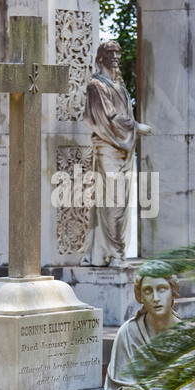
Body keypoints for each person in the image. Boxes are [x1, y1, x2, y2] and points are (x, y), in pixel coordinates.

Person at [80, 41, 151, 268]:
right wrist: (136, 126)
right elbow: (107, 117)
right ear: (101, 57)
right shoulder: (96, 86)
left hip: (122, 150)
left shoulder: (119, 86)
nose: (115, 56)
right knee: (115, 201)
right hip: (107, 148)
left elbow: (120, 113)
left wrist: (131, 131)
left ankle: (107, 253)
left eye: (118, 52)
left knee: (121, 201)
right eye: (110, 52)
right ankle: (115, 254)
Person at [104, 260, 195, 390]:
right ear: (141, 296)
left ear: (173, 292)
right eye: (148, 291)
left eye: (162, 289)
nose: (156, 298)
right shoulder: (128, 333)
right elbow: (122, 387)